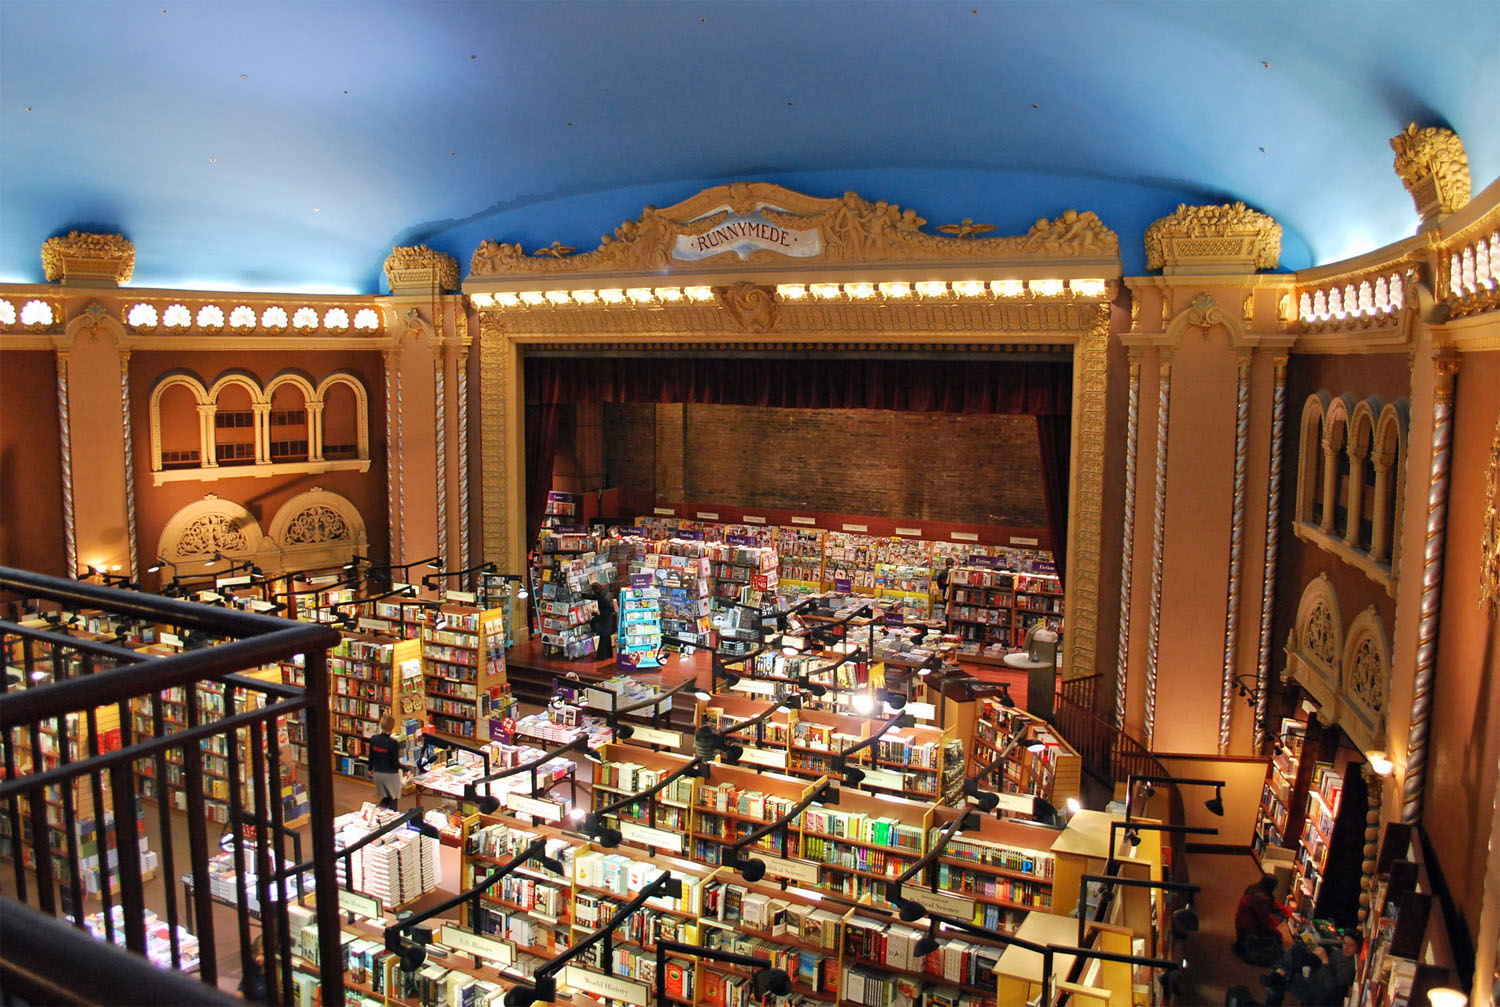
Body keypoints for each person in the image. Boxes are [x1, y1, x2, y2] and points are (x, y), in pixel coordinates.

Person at [1261, 931, 1359, 1007]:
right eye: (1345, 943)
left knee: (1282, 979)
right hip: (1315, 972)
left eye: (1350, 945)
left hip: (1318, 990)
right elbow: (1331, 956)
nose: (1345, 948)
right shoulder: (1341, 953)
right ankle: (1280, 973)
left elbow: (1330, 987)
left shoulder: (1351, 966)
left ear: (1358, 947)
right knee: (1297, 948)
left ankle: (1278, 974)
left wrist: (1325, 960)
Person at [1234, 874, 1290, 965]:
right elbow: (1266, 923)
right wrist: (1278, 935)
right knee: (1278, 954)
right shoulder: (1263, 900)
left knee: (1278, 916)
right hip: (1249, 933)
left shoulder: (1254, 891)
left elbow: (1273, 904)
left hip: (1242, 928)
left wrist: (1288, 912)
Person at [366, 714, 407, 811]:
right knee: (393, 800)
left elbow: (371, 757)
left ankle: (377, 815)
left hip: (378, 775)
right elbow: (395, 763)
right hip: (391, 775)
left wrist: (370, 769)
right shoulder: (393, 743)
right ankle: (392, 822)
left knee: (386, 798)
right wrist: (406, 769)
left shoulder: (373, 739)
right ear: (392, 727)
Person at [587, 582, 616, 662]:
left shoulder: (602, 597)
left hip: (605, 620)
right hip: (609, 619)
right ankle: (608, 655)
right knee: (606, 638)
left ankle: (601, 656)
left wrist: (595, 614)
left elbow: (603, 612)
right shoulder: (605, 593)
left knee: (603, 638)